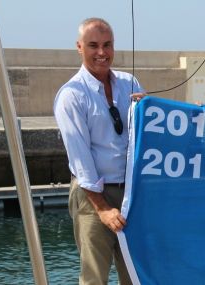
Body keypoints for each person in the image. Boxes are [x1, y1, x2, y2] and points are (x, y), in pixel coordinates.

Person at [53, 17, 145, 285]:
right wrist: (103, 208)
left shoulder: (130, 83)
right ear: (79, 47)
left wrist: (148, 109)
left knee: (135, 274)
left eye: (107, 45)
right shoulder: (71, 95)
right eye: (93, 45)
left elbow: (145, 135)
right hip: (93, 196)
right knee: (95, 277)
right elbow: (80, 159)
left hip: (132, 194)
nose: (102, 53)